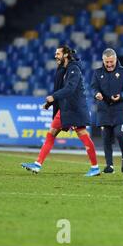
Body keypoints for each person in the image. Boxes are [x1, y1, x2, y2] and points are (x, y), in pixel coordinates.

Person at [21, 46, 100, 177]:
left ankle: (95, 167)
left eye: (58, 53)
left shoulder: (74, 69)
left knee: (82, 133)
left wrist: (53, 97)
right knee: (51, 133)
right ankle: (37, 164)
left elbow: (70, 88)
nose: (56, 56)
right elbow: (61, 89)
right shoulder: (63, 69)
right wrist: (49, 103)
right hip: (65, 108)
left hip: (74, 108)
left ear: (66, 55)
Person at [91, 48, 123, 174]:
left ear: (115, 59)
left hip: (119, 108)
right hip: (104, 109)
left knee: (119, 133)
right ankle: (110, 165)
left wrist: (121, 96)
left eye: (111, 62)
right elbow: (93, 87)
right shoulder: (97, 73)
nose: (109, 65)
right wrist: (96, 94)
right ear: (103, 60)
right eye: (106, 62)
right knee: (106, 138)